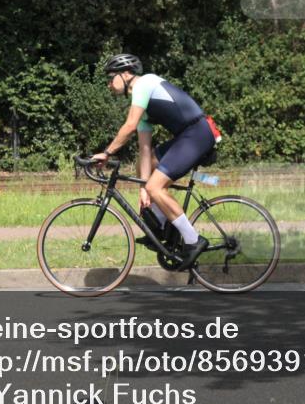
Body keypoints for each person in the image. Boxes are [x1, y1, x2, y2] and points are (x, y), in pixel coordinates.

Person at [91, 53, 216, 270]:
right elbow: (145, 149)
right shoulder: (142, 106)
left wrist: (107, 152)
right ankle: (161, 226)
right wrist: (142, 189)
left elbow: (129, 126)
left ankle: (193, 240)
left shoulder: (144, 84)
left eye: (111, 78)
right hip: (187, 136)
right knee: (145, 167)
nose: (108, 84)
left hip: (197, 134)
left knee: (155, 186)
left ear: (125, 74)